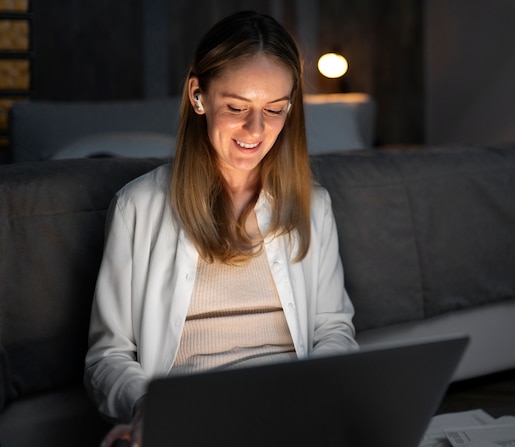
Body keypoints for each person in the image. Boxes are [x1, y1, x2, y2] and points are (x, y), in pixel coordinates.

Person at [84, 10, 358, 447]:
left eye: (274, 110)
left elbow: (333, 330)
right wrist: (147, 405)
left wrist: (319, 391)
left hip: (293, 415)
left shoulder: (313, 206)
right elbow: (107, 357)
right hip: (192, 419)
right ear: (198, 96)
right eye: (236, 107)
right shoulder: (137, 207)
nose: (256, 130)